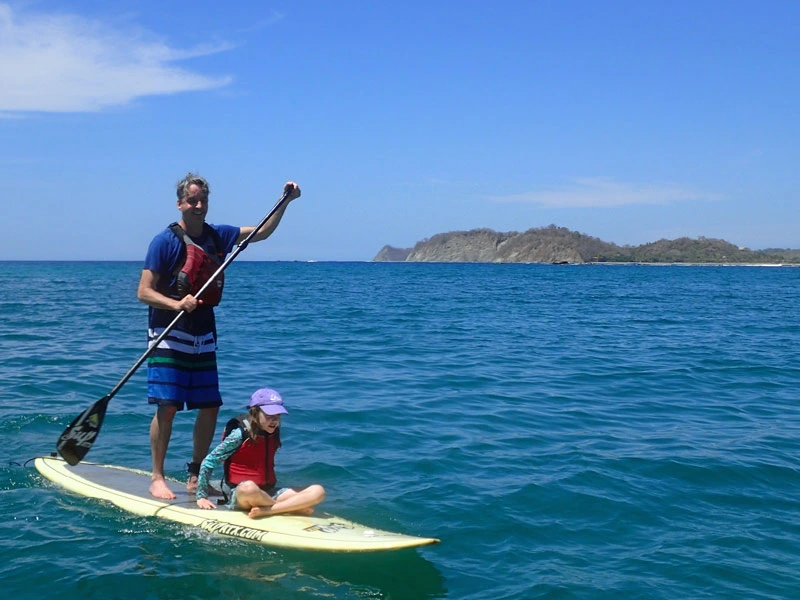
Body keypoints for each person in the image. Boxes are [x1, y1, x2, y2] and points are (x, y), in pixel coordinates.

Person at [138, 173, 301, 500]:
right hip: (169, 333)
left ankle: (195, 475)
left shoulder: (218, 235)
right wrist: (176, 303)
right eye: (192, 201)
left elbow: (261, 231)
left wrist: (285, 202)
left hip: (203, 335)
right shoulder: (164, 242)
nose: (199, 206)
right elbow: (144, 291)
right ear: (180, 204)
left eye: (203, 201)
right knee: (168, 407)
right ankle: (157, 476)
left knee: (209, 405)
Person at [195, 388, 326, 518]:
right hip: (242, 495)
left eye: (278, 416)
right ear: (255, 412)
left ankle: (270, 509)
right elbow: (209, 461)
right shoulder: (240, 434)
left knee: (318, 491)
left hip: (268, 493)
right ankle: (288, 507)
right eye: (269, 415)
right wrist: (201, 496)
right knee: (249, 487)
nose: (274, 420)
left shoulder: (272, 431)